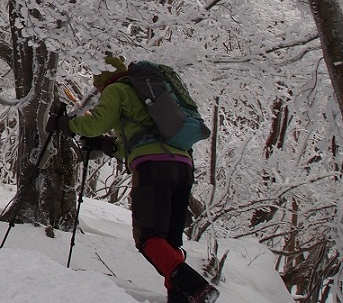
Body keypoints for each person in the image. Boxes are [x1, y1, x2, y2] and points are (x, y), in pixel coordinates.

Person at [47, 56, 219, 303]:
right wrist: (106, 145)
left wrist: (66, 124)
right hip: (183, 167)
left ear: (103, 80)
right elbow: (139, 140)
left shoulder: (117, 90)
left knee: (149, 238)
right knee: (168, 241)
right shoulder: (153, 98)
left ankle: (197, 288)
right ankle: (179, 298)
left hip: (153, 169)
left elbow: (96, 123)